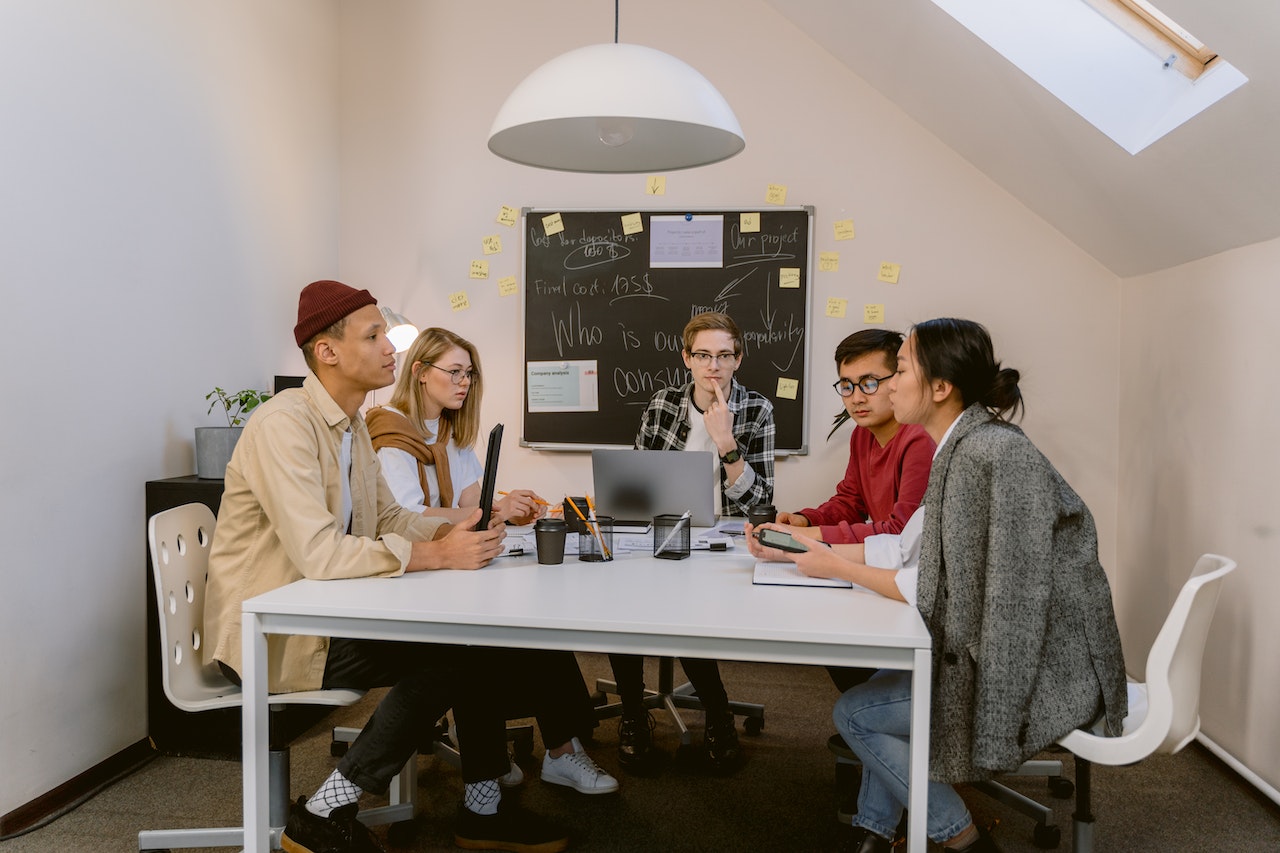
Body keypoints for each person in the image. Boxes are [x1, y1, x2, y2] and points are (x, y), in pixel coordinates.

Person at [203, 280, 615, 853]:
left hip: (325, 614)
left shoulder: (352, 428)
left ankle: (481, 808)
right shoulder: (284, 426)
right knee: (454, 648)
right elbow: (320, 552)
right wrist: (436, 554)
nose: (390, 348)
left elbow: (391, 518)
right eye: (373, 336)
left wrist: (456, 530)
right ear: (327, 351)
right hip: (276, 633)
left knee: (476, 639)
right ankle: (327, 811)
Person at [747, 318, 1128, 853]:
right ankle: (878, 831)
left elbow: (942, 588)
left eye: (898, 371)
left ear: (940, 388)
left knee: (854, 713)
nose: (887, 386)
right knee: (876, 684)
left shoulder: (980, 455)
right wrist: (817, 549)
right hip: (1009, 649)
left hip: (1041, 668)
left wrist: (835, 565)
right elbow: (910, 550)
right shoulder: (964, 445)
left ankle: (963, 839)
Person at [608, 311, 775, 775]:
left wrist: (726, 442)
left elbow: (761, 504)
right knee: (620, 604)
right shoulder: (662, 404)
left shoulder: (757, 409)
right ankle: (632, 713)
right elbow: (636, 485)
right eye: (703, 355)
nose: (713, 366)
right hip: (659, 532)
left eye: (724, 355)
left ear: (737, 359)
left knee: (687, 611)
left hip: (720, 540)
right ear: (687, 358)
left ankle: (718, 716)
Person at [368, 326, 545, 527]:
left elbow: (473, 500)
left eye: (468, 373)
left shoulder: (448, 429)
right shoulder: (391, 429)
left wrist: (512, 512)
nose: (465, 382)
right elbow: (407, 514)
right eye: (454, 372)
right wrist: (490, 512)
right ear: (421, 372)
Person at [774, 329, 933, 546]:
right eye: (847, 386)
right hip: (883, 561)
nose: (856, 398)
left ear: (897, 380)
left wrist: (811, 536)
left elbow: (902, 532)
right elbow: (850, 505)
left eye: (869, 384)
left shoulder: (920, 438)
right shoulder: (862, 435)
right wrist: (805, 520)